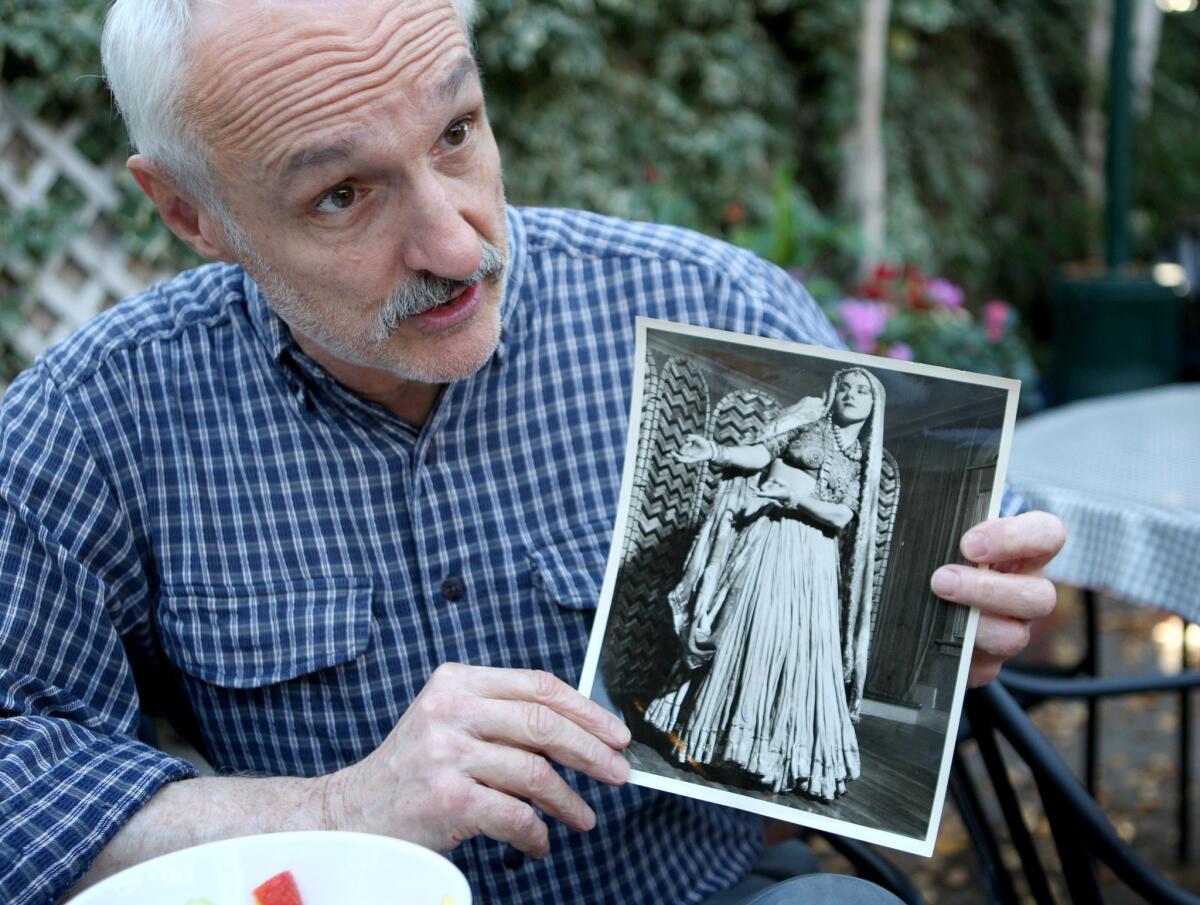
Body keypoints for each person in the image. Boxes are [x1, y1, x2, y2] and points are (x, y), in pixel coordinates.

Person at [0, 1, 1065, 903]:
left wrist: (960, 618)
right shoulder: (101, 418)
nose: (460, 244)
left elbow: (920, 591)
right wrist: (339, 808)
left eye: (456, 132)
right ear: (191, 211)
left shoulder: (708, 305)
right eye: (341, 194)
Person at [646, 368, 893, 802]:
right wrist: (716, 450)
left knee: (800, 649)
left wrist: (795, 499)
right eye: (846, 388)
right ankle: (714, 743)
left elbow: (839, 518)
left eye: (863, 392)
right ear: (833, 395)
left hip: (814, 559)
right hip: (769, 539)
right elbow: (760, 456)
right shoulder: (808, 425)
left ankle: (777, 759)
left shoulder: (864, 463)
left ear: (874, 407)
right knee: (749, 630)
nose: (852, 396)